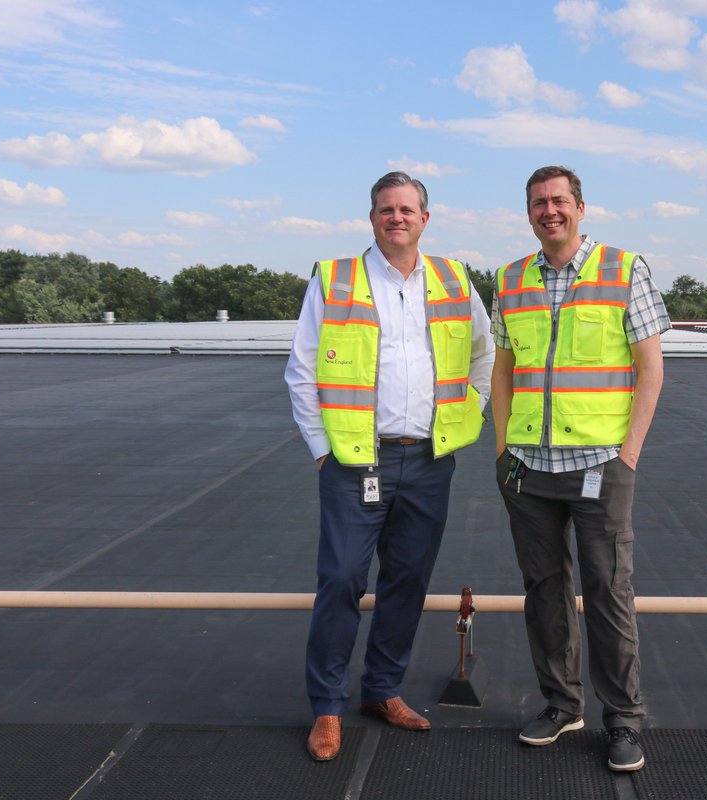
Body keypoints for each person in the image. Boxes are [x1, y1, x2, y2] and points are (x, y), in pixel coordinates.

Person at [285, 171, 493, 761]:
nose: (395, 217)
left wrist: (469, 413)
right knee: (342, 579)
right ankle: (328, 706)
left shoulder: (454, 279)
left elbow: (485, 355)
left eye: (406, 209)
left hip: (428, 459)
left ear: (425, 218)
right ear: (372, 217)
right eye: (385, 209)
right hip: (356, 461)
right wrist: (320, 448)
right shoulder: (335, 279)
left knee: (407, 580)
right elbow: (302, 370)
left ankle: (381, 689)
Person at [490, 165, 669, 772]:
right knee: (543, 591)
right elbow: (504, 369)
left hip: (600, 464)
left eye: (559, 200)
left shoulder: (624, 270)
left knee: (608, 591)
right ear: (529, 213)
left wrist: (629, 454)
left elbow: (651, 368)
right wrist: (502, 449)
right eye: (539, 202)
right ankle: (562, 705)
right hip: (528, 468)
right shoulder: (510, 280)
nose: (550, 211)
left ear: (580, 207)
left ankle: (623, 720)